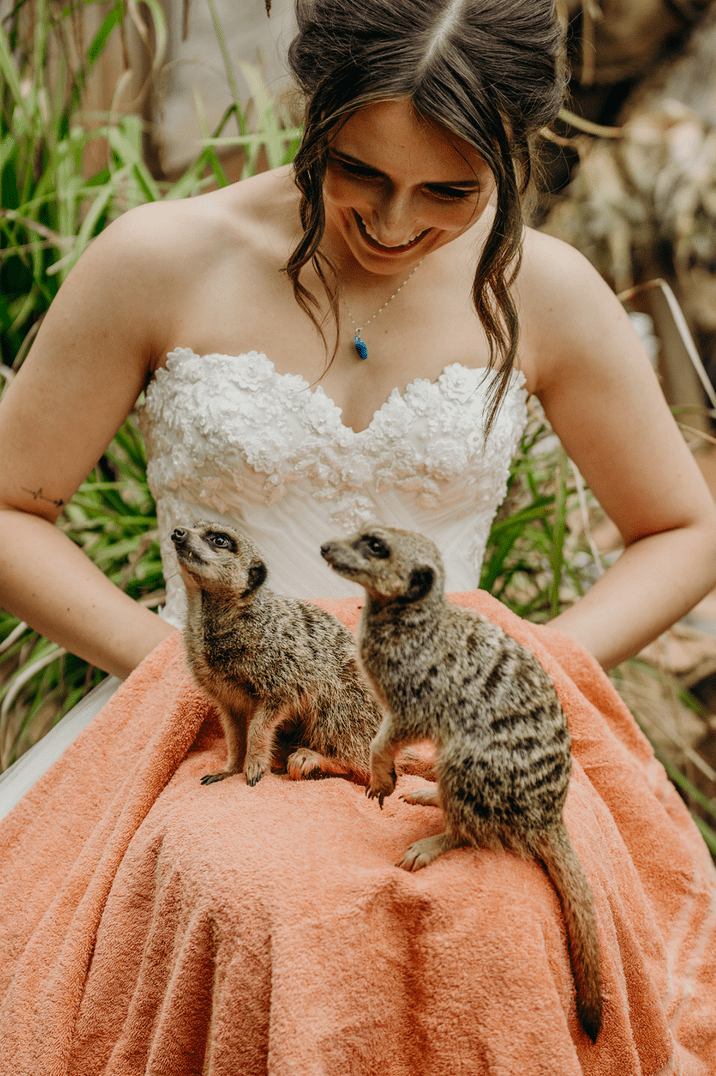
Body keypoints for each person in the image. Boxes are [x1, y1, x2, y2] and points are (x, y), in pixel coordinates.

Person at [0, 0, 715, 1070]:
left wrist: (524, 666)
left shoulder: (545, 290)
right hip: (215, 712)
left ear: (513, 152)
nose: (390, 223)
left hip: (435, 730)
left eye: (448, 191)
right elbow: (11, 505)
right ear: (312, 110)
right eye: (357, 173)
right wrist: (183, 670)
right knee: (266, 902)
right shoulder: (158, 259)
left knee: (502, 928)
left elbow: (679, 527)